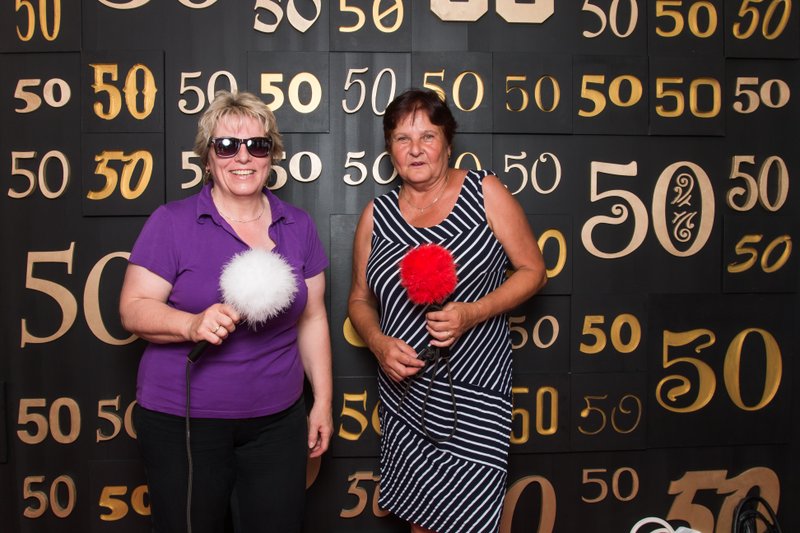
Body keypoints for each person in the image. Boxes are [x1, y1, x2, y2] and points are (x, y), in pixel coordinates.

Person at [119, 90, 332, 533]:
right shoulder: (172, 222)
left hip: (277, 423)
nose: (243, 157)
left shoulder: (298, 225)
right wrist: (191, 324)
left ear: (272, 155)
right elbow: (133, 310)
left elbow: (312, 318)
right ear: (207, 156)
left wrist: (323, 404)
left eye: (258, 145)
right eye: (227, 145)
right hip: (184, 423)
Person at [348, 88, 547, 533]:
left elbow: (534, 271)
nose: (415, 149)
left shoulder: (484, 191)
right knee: (421, 521)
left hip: (474, 393)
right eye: (402, 138)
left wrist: (473, 313)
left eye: (428, 136)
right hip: (406, 396)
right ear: (390, 150)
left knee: (467, 518)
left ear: (448, 143)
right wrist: (378, 343)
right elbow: (359, 299)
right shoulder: (377, 215)